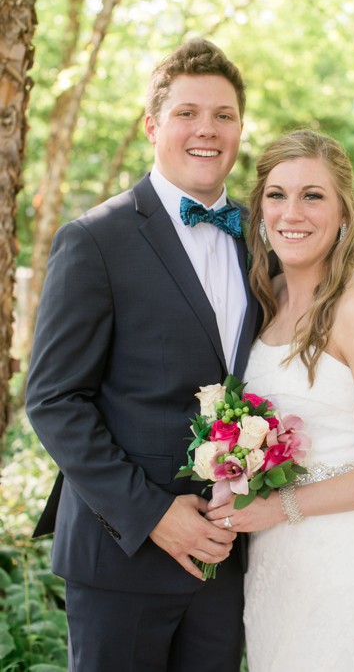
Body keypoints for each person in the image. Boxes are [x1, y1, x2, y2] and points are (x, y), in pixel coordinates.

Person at [26, 38, 258, 671]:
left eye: (224, 115)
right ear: (153, 125)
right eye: (187, 112)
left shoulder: (264, 237)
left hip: (227, 554)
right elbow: (53, 400)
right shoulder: (94, 239)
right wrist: (154, 514)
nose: (206, 130)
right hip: (120, 554)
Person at [203, 129, 354, 671]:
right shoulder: (266, 298)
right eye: (277, 195)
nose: (292, 212)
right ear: (259, 210)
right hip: (274, 563)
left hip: (348, 559)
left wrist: (277, 507)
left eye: (313, 195)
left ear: (344, 213)